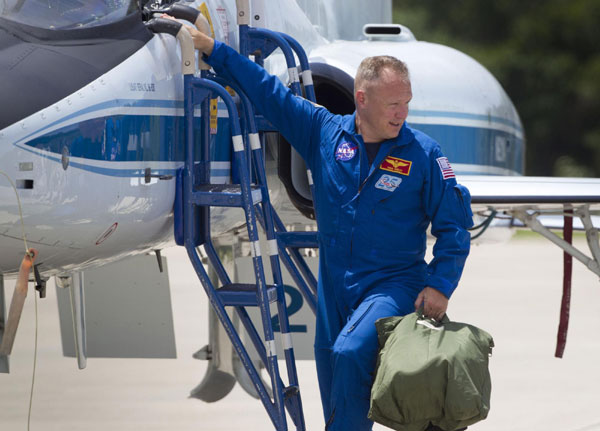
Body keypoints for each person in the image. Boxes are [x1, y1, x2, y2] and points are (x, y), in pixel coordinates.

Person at [184, 25, 473, 431]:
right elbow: (270, 94)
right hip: (334, 287)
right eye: (392, 103)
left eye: (405, 103)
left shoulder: (424, 154)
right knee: (333, 380)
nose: (401, 113)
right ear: (362, 98)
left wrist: (441, 284)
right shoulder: (323, 132)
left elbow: (454, 226)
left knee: (350, 352)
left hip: (393, 284)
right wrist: (216, 50)